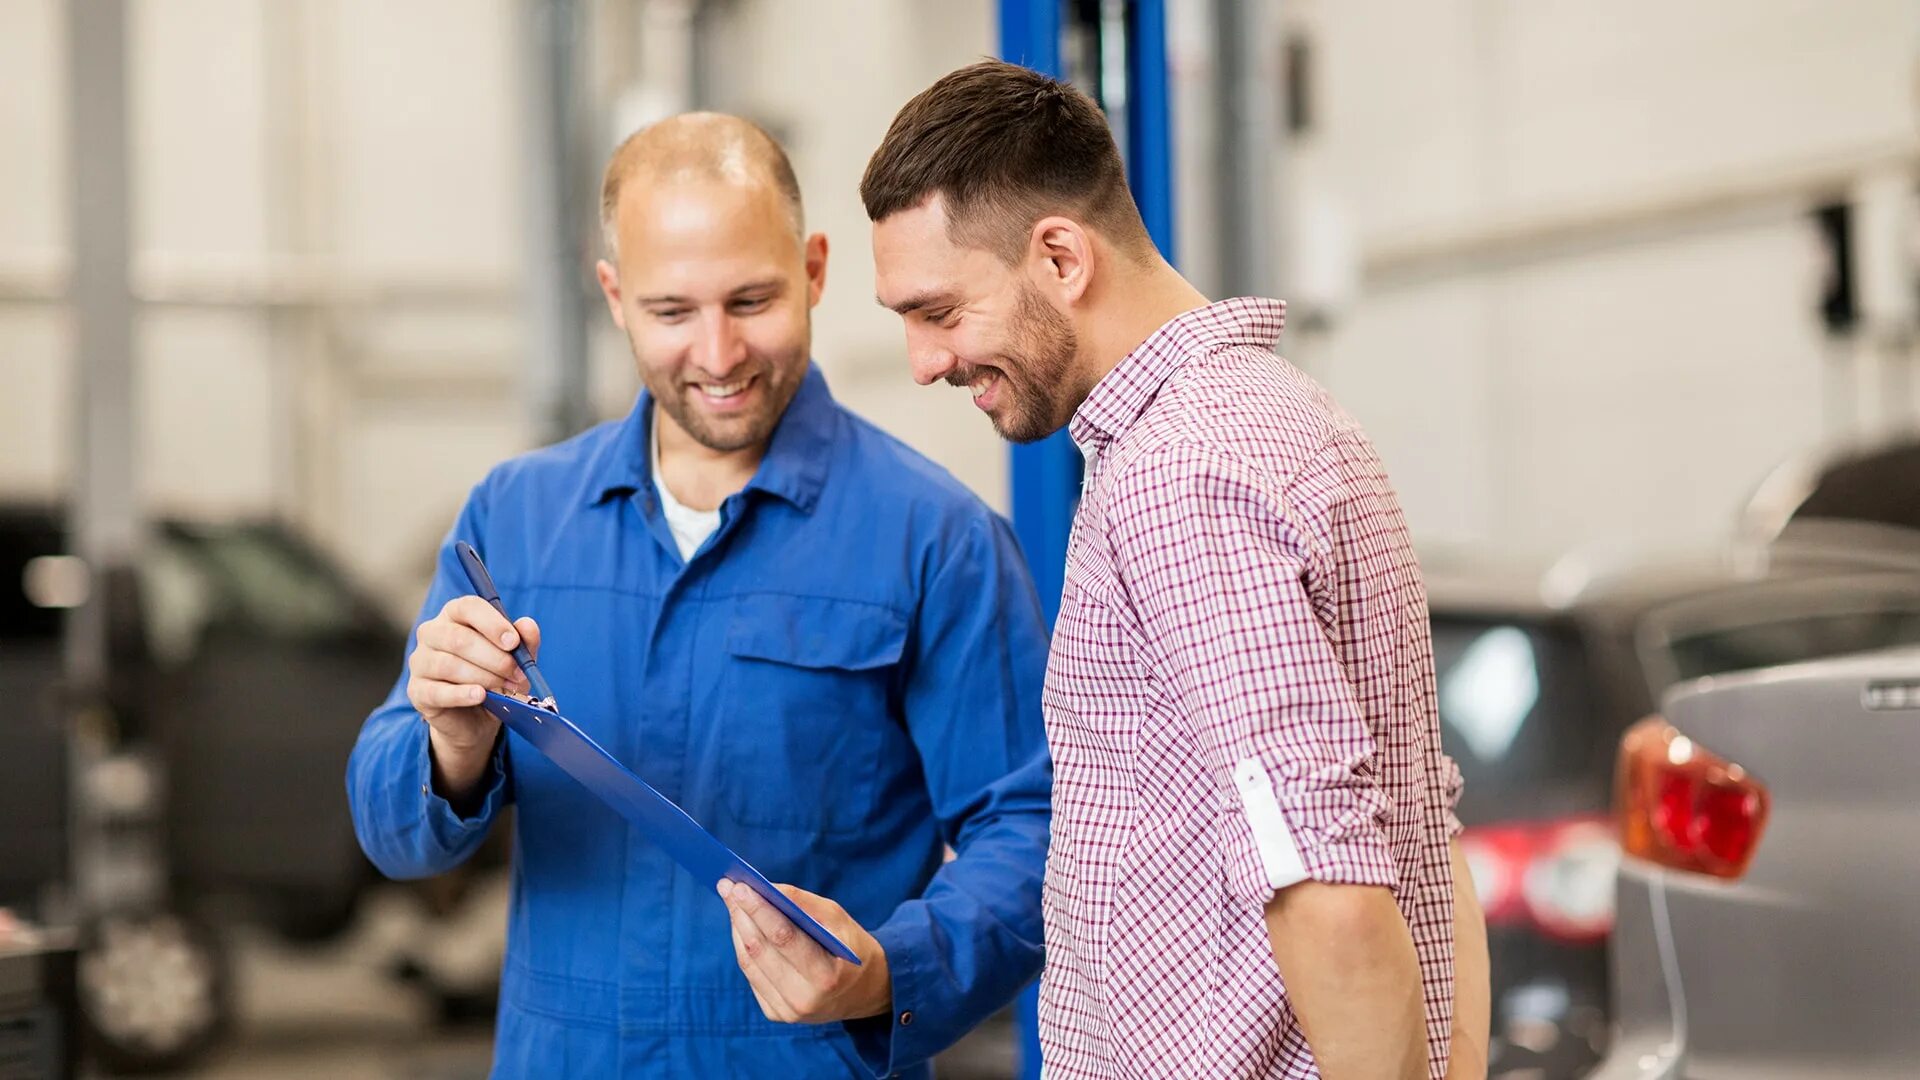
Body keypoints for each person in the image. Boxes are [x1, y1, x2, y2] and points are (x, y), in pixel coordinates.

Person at [347, 112, 1052, 1078]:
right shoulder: (514, 518)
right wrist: (450, 746)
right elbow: (394, 835)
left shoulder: (937, 541)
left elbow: (1035, 831)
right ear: (615, 298)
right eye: (672, 312)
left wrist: (892, 970)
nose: (718, 354)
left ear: (813, 270)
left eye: (751, 300)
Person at [862, 62, 1491, 1079]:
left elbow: (1325, 878)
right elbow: (1423, 823)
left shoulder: (1179, 474)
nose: (924, 361)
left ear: (1061, 256)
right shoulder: (1289, 415)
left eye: (939, 312)